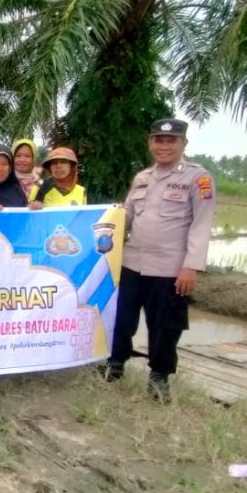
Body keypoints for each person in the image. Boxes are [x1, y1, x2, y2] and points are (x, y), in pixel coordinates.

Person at [102, 119, 216, 402]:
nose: (163, 146)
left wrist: (191, 266)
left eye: (171, 141)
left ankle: (159, 377)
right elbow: (126, 216)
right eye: (158, 140)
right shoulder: (142, 178)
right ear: (150, 143)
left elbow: (201, 224)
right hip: (132, 263)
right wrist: (99, 221)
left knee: (166, 325)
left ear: (183, 144)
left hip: (170, 268)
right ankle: (115, 364)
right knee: (121, 318)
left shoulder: (198, 179)